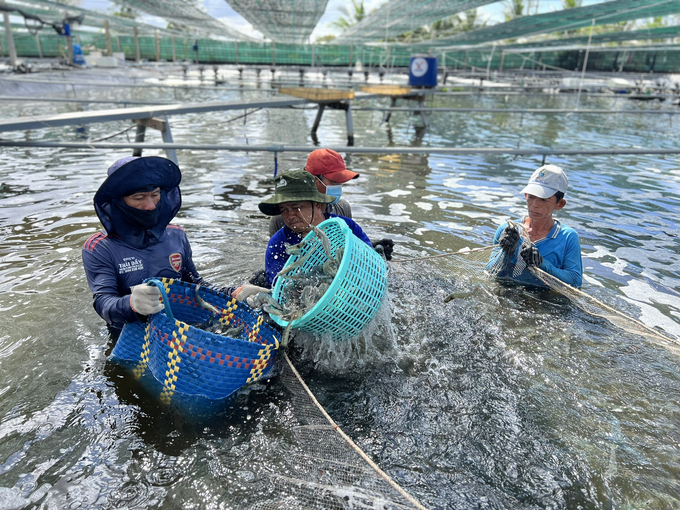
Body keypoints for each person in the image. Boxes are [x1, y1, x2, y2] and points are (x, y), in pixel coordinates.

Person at [82, 156, 262, 336]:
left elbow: (194, 284)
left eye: (155, 195)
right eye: (138, 198)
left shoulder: (176, 235)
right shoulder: (99, 247)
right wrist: (130, 304)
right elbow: (103, 303)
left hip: (176, 333)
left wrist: (232, 293)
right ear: (118, 201)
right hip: (130, 338)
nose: (151, 206)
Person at [258, 169, 375, 288]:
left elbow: (371, 262)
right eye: (283, 210)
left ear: (317, 204)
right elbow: (278, 287)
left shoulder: (346, 227)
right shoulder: (278, 244)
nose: (290, 215)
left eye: (296, 207)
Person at [267, 149, 394, 259]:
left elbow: (342, 245)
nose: (338, 187)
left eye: (341, 182)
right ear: (313, 181)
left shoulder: (342, 208)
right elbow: (281, 255)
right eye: (334, 181)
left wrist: (371, 247)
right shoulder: (281, 218)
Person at [490, 164, 583, 288]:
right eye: (532, 197)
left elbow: (575, 281)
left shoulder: (568, 237)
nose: (535, 204)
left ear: (560, 204)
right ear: (525, 196)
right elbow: (489, 271)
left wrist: (543, 264)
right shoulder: (508, 230)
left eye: (544, 199)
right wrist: (506, 253)